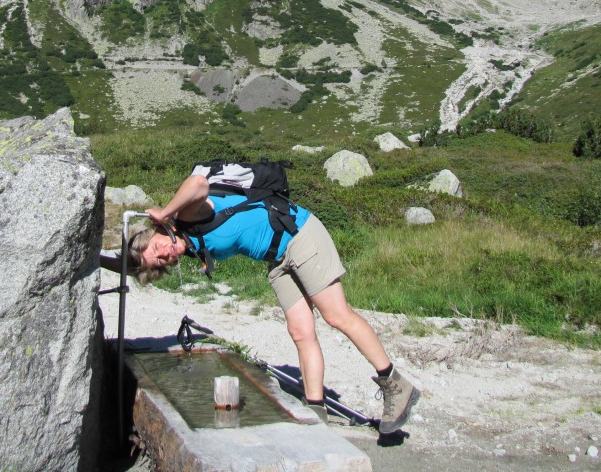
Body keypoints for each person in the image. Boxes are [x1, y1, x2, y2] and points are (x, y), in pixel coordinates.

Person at [117, 169, 420, 432]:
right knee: (300, 331)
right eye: (158, 262)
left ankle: (395, 384)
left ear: (155, 231)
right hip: (277, 258)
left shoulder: (184, 216)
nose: (164, 255)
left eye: (156, 248)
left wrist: (166, 210)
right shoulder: (190, 242)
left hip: (300, 234)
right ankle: (315, 410)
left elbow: (198, 183)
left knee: (336, 315)